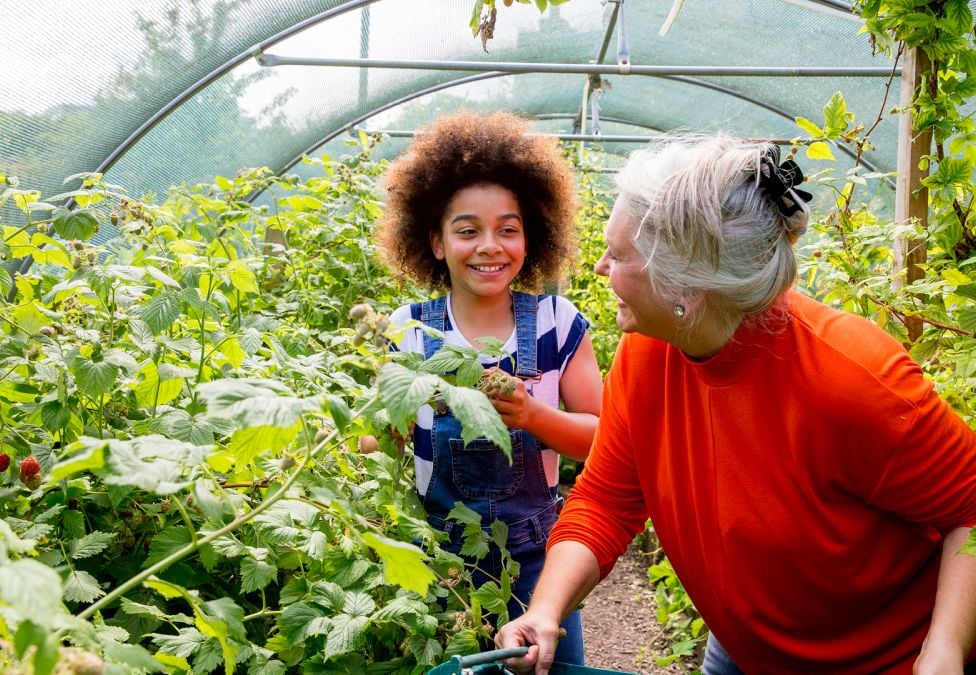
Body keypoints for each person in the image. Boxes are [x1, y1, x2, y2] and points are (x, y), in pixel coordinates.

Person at [495, 134, 976, 674]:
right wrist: (545, 610)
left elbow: (972, 508)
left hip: (885, 659)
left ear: (689, 288)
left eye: (621, 254)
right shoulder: (646, 355)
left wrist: (944, 651)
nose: (603, 267)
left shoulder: (852, 381)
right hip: (743, 649)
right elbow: (605, 500)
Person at [373, 110, 603, 665]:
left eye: (508, 228)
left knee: (546, 665)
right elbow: (380, 447)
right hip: (438, 558)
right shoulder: (410, 330)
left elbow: (602, 438)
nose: (489, 246)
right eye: (467, 230)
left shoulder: (557, 323)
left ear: (530, 237)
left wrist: (532, 417)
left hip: (537, 558)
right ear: (434, 241)